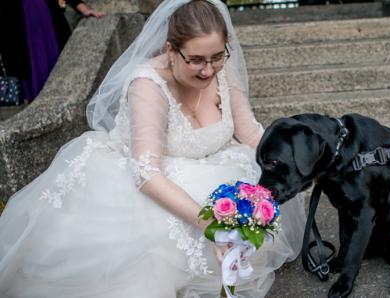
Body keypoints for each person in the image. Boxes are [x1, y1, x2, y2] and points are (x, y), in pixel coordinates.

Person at [0, 0, 306, 297]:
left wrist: (297, 163)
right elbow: (147, 174)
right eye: (196, 60)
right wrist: (211, 225)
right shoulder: (148, 84)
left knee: (259, 186)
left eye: (217, 57)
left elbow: (251, 133)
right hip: (147, 180)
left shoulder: (221, 71)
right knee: (148, 262)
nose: (208, 70)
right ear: (171, 50)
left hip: (214, 165)